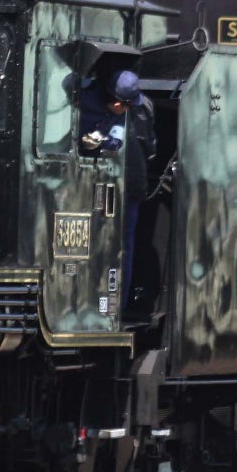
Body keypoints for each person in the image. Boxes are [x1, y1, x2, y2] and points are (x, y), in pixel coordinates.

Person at [80, 69, 154, 316]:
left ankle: (116, 308)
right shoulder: (88, 103)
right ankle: (89, 304)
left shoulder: (142, 110)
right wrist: (97, 142)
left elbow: (148, 147)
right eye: (119, 103)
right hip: (92, 187)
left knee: (124, 247)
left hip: (129, 188)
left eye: (127, 104)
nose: (122, 107)